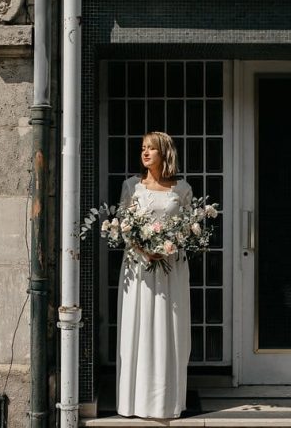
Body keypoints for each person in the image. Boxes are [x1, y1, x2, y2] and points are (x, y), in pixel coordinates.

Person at [116, 131, 192, 418]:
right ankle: (134, 401)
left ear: (165, 153)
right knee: (140, 325)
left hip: (171, 267)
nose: (145, 153)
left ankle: (166, 401)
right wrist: (144, 248)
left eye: (151, 149)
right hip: (139, 267)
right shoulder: (132, 187)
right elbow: (123, 224)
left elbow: (188, 226)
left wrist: (169, 246)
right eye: (143, 149)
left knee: (169, 326)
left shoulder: (182, 189)